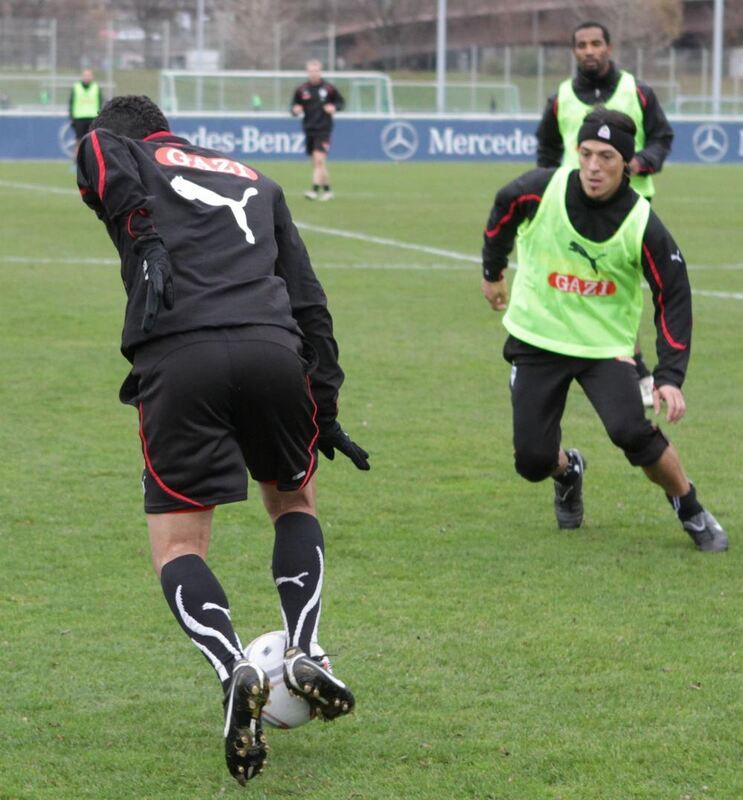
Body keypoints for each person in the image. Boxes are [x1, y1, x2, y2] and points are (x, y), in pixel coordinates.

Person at [76, 95, 370, 786]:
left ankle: (233, 664)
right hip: (275, 350)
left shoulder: (122, 153)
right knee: (294, 506)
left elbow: (94, 150)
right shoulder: (255, 179)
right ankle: (302, 646)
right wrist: (322, 404)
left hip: (181, 359)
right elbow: (310, 302)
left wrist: (143, 234)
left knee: (178, 545)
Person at [480, 108, 728, 554]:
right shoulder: (540, 190)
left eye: (607, 157)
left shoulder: (641, 222)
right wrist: (492, 270)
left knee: (631, 431)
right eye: (588, 154)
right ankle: (568, 471)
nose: (594, 167)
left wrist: (669, 376)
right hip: (539, 339)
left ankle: (690, 508)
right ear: (577, 152)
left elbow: (673, 293)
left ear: (626, 163)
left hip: (604, 347)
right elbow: (502, 210)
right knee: (533, 461)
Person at [535, 21, 674, 406]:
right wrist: (548, 190)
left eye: (596, 43)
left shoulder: (638, 92)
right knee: (574, 283)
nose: (589, 50)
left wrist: (644, 160)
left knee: (620, 287)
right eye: (581, 45)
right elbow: (546, 148)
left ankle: (632, 364)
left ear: (609, 47)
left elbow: (663, 136)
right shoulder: (561, 97)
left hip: (631, 209)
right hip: (573, 210)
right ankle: (602, 362)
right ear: (574, 51)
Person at [291, 59, 345, 201]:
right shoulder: (302, 89)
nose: (313, 74)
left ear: (320, 72)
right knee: (317, 163)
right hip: (309, 129)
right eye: (311, 71)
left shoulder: (329, 88)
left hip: (324, 129)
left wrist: (334, 107)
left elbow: (340, 102)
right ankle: (327, 190)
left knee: (319, 160)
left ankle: (314, 190)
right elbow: (294, 106)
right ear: (307, 72)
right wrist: (295, 110)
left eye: (316, 71)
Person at [69, 68, 103, 147]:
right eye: (85, 75)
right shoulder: (76, 87)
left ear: (92, 77)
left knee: (93, 141)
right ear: (82, 76)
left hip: (93, 118)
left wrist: (99, 117)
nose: (87, 77)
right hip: (79, 118)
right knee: (79, 141)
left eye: (89, 75)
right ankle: (78, 159)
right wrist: (72, 118)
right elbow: (71, 103)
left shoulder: (96, 87)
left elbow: (100, 103)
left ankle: (91, 158)